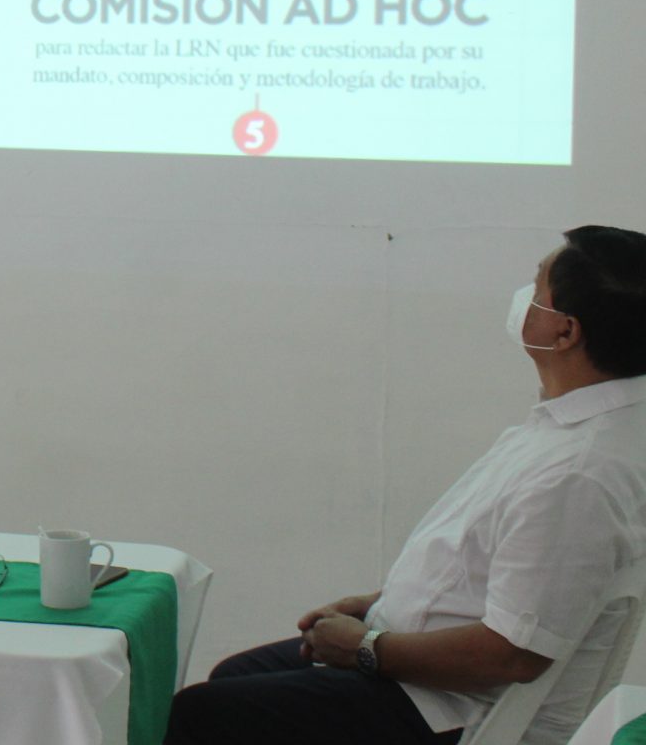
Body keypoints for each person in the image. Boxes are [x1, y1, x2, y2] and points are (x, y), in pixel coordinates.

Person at [166, 226, 646, 745]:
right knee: (234, 677)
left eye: (537, 289)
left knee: (200, 715)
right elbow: (491, 569)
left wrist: (366, 647)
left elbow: (512, 655)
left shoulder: (580, 472)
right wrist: (379, 606)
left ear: (565, 331)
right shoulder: (571, 430)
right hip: (422, 669)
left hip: (453, 709)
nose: (522, 298)